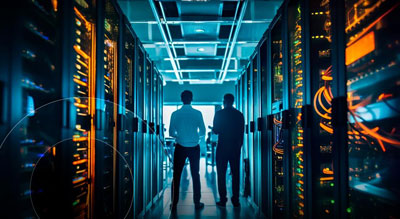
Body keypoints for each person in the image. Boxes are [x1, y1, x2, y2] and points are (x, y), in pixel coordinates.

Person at [169, 90, 206, 211]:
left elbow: (171, 133)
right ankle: (197, 202)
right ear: (192, 99)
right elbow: (203, 132)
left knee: (177, 174)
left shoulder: (175, 114)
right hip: (194, 147)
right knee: (195, 174)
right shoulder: (197, 113)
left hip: (180, 147)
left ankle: (174, 203)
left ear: (181, 99)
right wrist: (195, 137)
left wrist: (180, 136)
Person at [212, 93, 244, 207]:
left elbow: (216, 130)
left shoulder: (219, 114)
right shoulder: (239, 114)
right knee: (236, 174)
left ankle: (223, 199)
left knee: (221, 174)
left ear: (224, 101)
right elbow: (241, 133)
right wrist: (238, 147)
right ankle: (236, 199)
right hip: (235, 148)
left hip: (222, 147)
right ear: (233, 101)